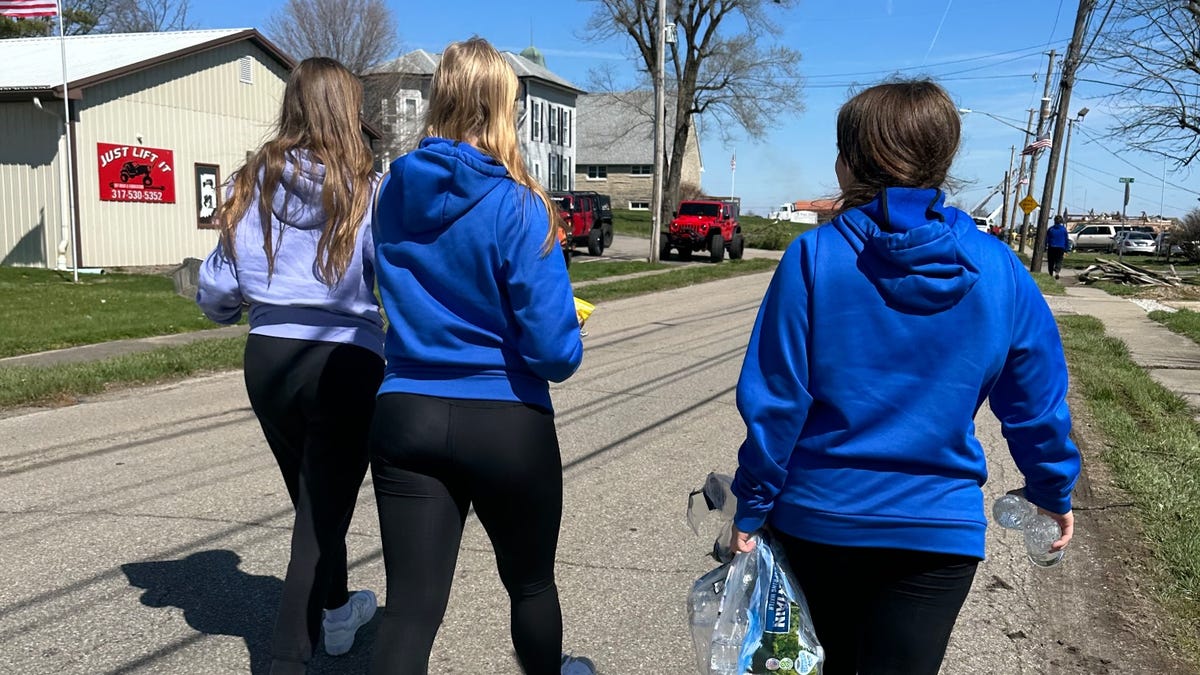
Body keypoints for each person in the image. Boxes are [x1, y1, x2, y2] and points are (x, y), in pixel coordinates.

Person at [728, 80, 1081, 675]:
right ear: (942, 158)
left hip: (820, 520)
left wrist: (751, 504)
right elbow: (1036, 401)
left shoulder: (813, 256)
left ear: (851, 164)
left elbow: (778, 400)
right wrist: (1051, 489)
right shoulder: (998, 267)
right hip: (937, 534)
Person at [367, 38, 593, 675]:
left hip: (405, 407)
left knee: (410, 608)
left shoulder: (390, 193)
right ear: (502, 108)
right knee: (529, 585)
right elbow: (553, 354)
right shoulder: (520, 205)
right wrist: (571, 329)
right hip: (504, 416)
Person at [196, 57, 383, 674]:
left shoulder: (248, 184)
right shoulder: (367, 189)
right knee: (320, 511)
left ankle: (336, 613)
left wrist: (229, 308)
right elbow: (394, 277)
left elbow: (218, 290)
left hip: (269, 356)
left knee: (313, 501)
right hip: (345, 358)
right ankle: (284, 655)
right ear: (347, 113)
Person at [1047, 214, 1070, 278]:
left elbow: (1047, 238)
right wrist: (1066, 249)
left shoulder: (1050, 229)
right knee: (1059, 260)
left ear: (1054, 221)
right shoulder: (1063, 229)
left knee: (1051, 261)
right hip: (1060, 247)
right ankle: (1057, 271)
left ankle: (1050, 273)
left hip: (1052, 247)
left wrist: (1045, 245)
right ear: (1061, 221)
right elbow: (1066, 239)